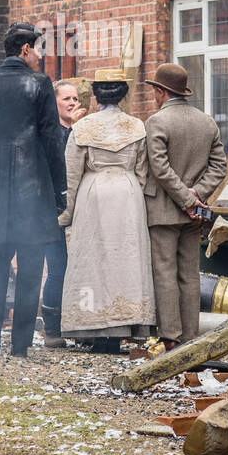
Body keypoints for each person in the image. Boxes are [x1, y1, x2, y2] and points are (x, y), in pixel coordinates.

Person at [0, 23, 66, 357]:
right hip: (31, 194)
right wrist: (59, 190)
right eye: (37, 49)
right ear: (24, 49)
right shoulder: (40, 85)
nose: (39, 57)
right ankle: (20, 344)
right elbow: (51, 140)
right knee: (31, 270)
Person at [58, 70, 154, 353]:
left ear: (96, 96)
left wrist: (66, 214)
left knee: (94, 259)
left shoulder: (83, 128)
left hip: (94, 194)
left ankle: (95, 326)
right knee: (124, 258)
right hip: (127, 193)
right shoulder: (137, 127)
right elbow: (143, 172)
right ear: (123, 94)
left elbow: (71, 176)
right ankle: (125, 324)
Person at [143, 62, 227, 348]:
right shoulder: (207, 122)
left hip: (164, 212)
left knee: (165, 273)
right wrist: (197, 196)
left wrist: (186, 199)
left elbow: (159, 168)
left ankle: (171, 338)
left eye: (154, 90)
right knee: (190, 274)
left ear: (160, 91)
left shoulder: (156, 122)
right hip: (195, 215)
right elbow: (219, 167)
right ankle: (190, 338)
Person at [41, 79, 86, 348]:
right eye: (66, 98)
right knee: (58, 268)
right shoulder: (51, 132)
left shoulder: (81, 130)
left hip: (82, 211)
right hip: (54, 211)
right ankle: (52, 329)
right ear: (54, 102)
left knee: (80, 269)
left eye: (75, 99)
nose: (72, 103)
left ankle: (79, 325)